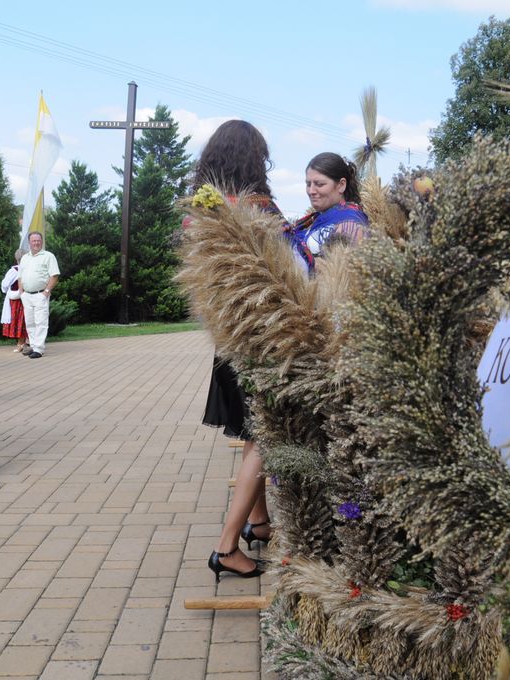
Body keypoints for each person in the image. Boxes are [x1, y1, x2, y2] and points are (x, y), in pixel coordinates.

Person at [195, 120, 282, 583]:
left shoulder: (202, 208)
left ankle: (259, 523)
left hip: (227, 337)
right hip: (261, 337)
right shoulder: (257, 206)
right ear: (252, 159)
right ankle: (227, 547)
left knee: (252, 432)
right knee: (265, 436)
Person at [287, 152, 370, 273]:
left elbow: (343, 273)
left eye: (319, 184)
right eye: (308, 184)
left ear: (341, 185)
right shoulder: (312, 221)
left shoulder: (351, 223)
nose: (311, 191)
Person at [18, 231, 60, 359]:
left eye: (38, 240)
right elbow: (20, 277)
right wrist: (21, 293)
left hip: (40, 294)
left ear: (41, 242)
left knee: (40, 322)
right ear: (29, 243)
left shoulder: (48, 256)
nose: (36, 243)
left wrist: (46, 292)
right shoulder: (24, 258)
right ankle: (33, 346)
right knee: (30, 323)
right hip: (26, 296)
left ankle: (39, 349)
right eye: (33, 241)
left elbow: (54, 275)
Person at [0, 248, 28, 352]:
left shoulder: (13, 271)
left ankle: (21, 343)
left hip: (16, 300)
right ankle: (24, 342)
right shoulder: (28, 269)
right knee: (25, 321)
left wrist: (7, 291)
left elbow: (4, 285)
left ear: (16, 259)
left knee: (20, 321)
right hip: (26, 298)